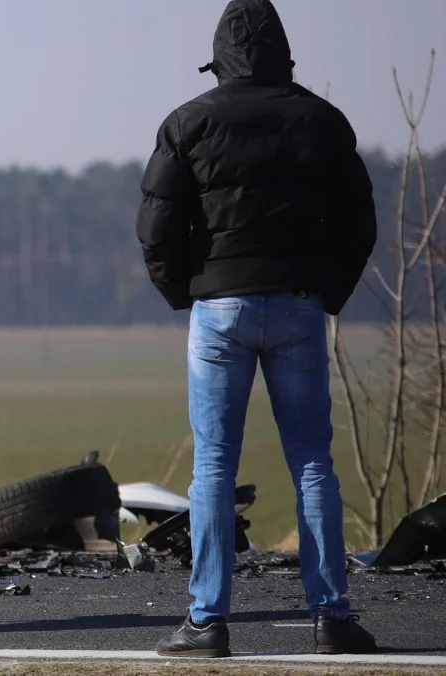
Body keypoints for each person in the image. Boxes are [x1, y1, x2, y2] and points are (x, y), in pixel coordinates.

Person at [135, 0, 379, 658]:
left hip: (219, 308)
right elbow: (360, 218)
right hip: (299, 305)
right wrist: (333, 292)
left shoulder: (187, 122)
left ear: (219, 60)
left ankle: (207, 623)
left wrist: (183, 290)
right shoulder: (321, 121)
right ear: (284, 55)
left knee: (213, 466)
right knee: (313, 464)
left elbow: (157, 225)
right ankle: (333, 617)